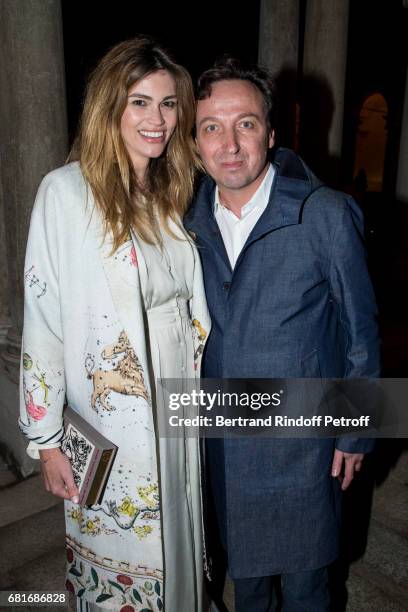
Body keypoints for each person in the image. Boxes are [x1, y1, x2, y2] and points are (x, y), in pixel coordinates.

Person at [19, 37, 210, 612]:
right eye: (140, 102)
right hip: (117, 406)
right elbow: (44, 318)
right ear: (110, 108)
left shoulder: (167, 191)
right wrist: (46, 441)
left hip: (179, 389)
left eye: (169, 104)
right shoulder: (67, 192)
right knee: (126, 535)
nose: (158, 119)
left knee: (179, 521)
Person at [185, 58, 380, 612]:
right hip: (223, 442)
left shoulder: (324, 213)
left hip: (303, 444)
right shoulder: (185, 223)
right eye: (211, 128)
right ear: (195, 142)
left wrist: (355, 434)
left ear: (270, 134)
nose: (229, 144)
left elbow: (362, 332)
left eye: (245, 124)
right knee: (245, 584)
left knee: (307, 587)